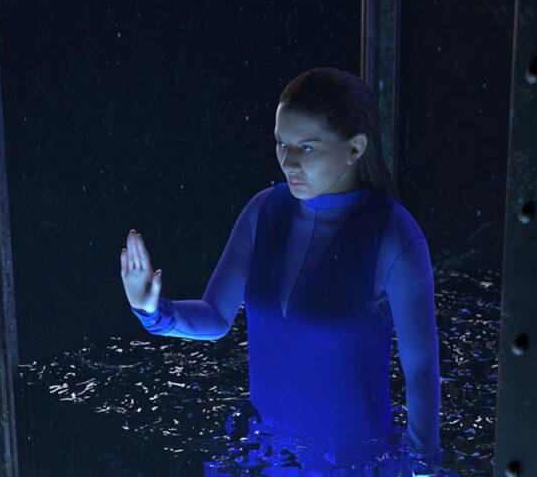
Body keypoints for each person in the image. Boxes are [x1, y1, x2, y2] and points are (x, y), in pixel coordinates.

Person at [121, 67, 442, 474]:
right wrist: (153, 311)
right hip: (264, 458)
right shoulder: (263, 212)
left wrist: (424, 468)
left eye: (306, 148)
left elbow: (421, 372)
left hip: (352, 466)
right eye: (281, 144)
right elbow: (216, 316)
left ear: (355, 148)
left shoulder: (394, 235)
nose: (288, 162)